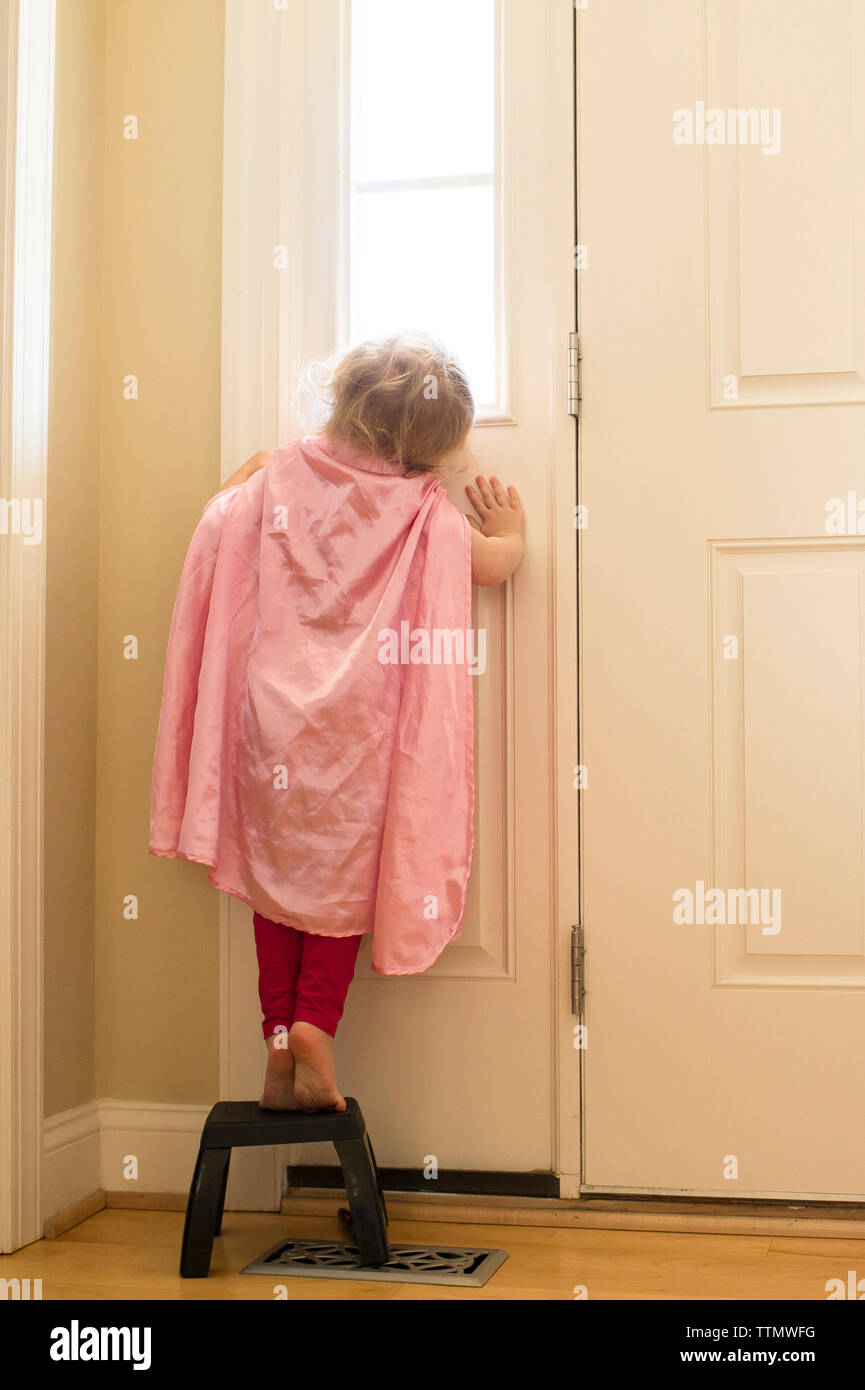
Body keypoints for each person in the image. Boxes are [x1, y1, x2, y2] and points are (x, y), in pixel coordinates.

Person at [149, 333, 525, 1114]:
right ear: (433, 444)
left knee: (273, 882)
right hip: (361, 736)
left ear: (340, 401)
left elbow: (215, 527)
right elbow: (488, 566)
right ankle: (315, 1021)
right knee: (338, 885)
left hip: (268, 726)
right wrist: (511, 532)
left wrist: (240, 475)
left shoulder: (276, 476)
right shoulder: (423, 510)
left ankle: (277, 1038)